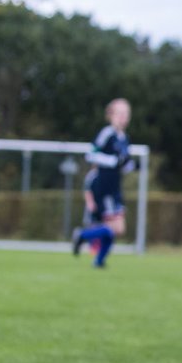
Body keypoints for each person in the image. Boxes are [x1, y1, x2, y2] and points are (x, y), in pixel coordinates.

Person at [72, 98, 136, 268]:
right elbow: (91, 154)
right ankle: (84, 238)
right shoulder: (107, 133)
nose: (123, 117)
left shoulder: (124, 138)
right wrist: (112, 161)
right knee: (113, 227)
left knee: (118, 229)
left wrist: (129, 165)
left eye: (126, 114)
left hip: (116, 188)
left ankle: (96, 255)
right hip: (104, 187)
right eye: (120, 113)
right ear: (111, 115)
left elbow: (123, 163)